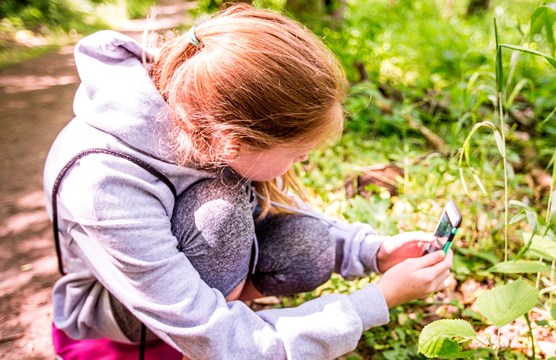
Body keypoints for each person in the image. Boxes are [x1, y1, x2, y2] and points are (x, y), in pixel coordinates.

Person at [43, 3, 453, 359]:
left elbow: (281, 209)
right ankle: (213, 328)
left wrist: (375, 253)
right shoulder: (103, 184)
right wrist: (374, 301)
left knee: (309, 245)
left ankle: (227, 309)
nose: (305, 159)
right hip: (116, 324)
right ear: (235, 142)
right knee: (220, 212)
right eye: (297, 152)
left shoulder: (201, 107)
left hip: (180, 289)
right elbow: (221, 339)